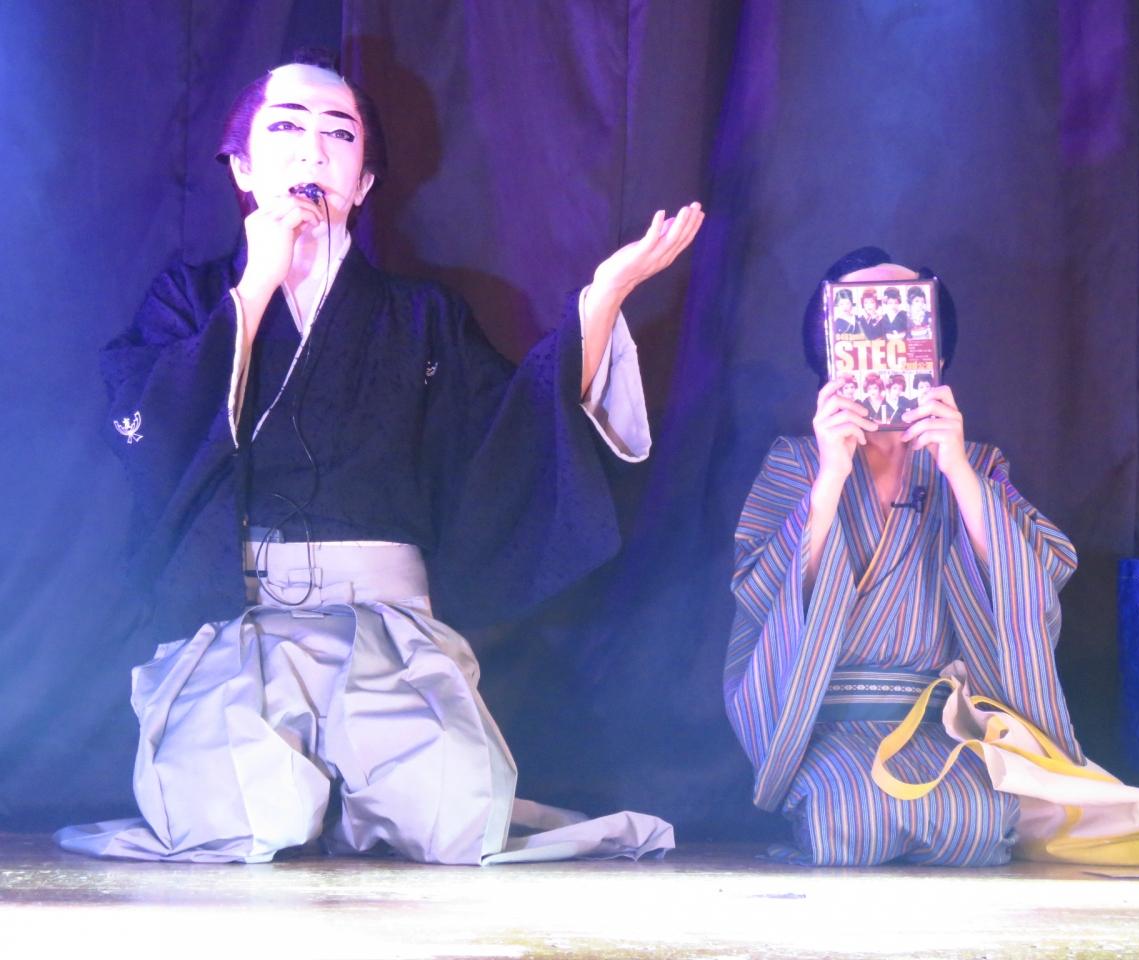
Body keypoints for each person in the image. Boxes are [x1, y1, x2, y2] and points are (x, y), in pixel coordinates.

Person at [56, 54, 703, 866]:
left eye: (339, 134)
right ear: (243, 167)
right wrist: (253, 292)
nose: (312, 149)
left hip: (386, 629)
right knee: (247, 821)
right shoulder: (190, 300)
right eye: (285, 128)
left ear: (363, 181)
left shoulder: (423, 318)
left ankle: (362, 787)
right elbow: (152, 433)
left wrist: (598, 304)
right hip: (236, 620)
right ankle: (310, 794)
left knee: (456, 822)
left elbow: (508, 441)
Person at [724, 246, 1084, 866]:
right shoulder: (797, 461)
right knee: (851, 821)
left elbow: (1038, 575)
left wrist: (958, 471)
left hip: (935, 725)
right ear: (832, 351)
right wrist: (831, 475)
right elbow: (761, 594)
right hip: (822, 723)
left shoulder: (975, 462)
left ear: (934, 352)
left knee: (977, 828)